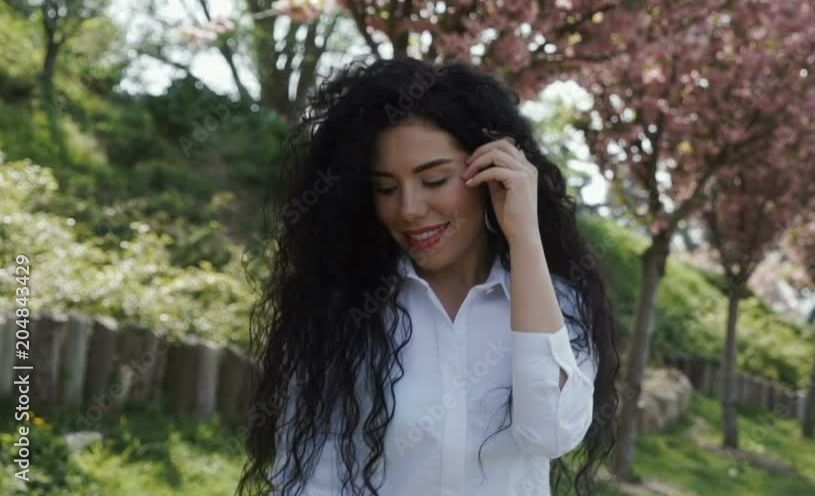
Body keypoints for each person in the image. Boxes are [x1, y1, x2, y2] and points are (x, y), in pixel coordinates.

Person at [235, 57, 620, 496]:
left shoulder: (557, 303)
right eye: (386, 188)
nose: (409, 209)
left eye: (434, 180)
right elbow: (307, 479)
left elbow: (549, 433)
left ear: (489, 173)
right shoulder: (343, 309)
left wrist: (525, 237)